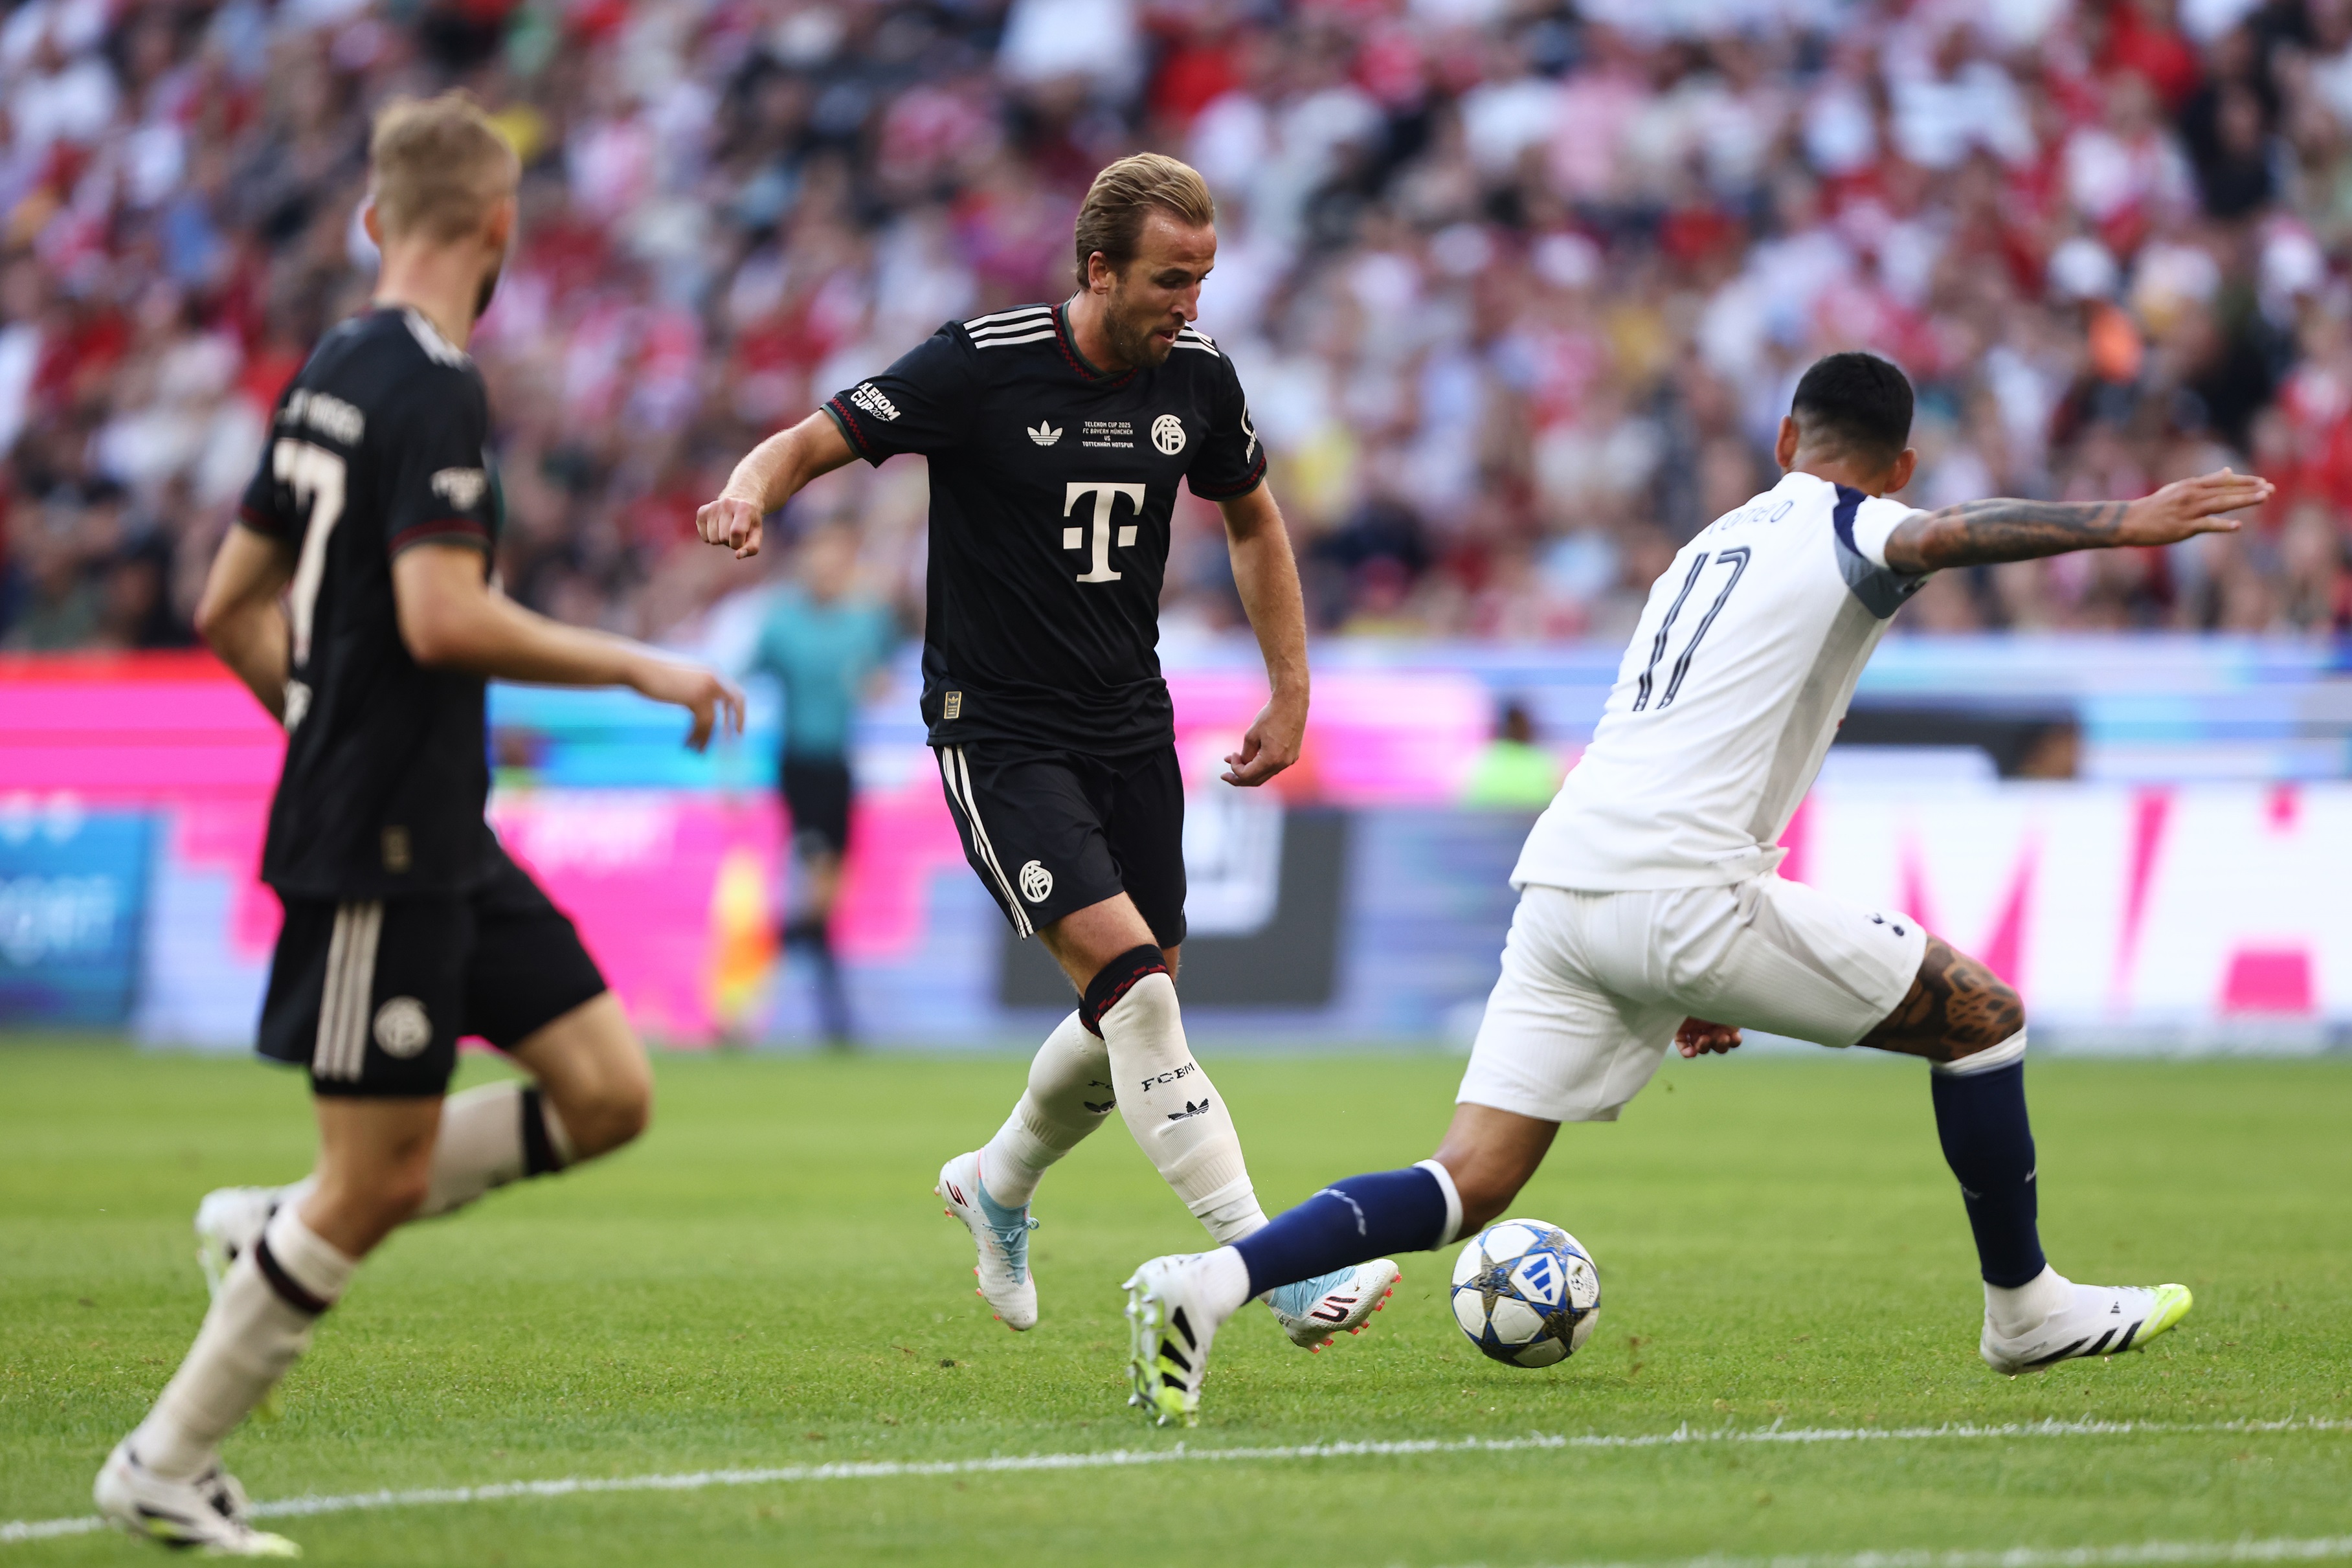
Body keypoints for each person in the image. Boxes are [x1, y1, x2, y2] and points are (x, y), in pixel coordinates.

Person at [1121, 351, 2268, 1425]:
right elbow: (1941, 540)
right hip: (1678, 890)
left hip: (1570, 883)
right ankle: (2024, 1309)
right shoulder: (1852, 519)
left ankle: (1211, 1281)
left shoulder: (1702, 548)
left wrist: (1688, 968)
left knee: (1466, 1180)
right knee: (1980, 1019)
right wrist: (2128, 522)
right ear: (1899, 465)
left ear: (1781, 438)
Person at [95, 94, 743, 1553]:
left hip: (434, 819)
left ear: (378, 220)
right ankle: (160, 1460)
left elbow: (225, 606)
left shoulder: (328, 368)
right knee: (377, 1178)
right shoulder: (434, 385)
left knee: (606, 1091)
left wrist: (324, 716)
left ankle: (278, 1224)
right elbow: (439, 613)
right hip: (382, 829)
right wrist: (636, 661)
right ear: (497, 229)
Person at [695, 153, 1397, 1347]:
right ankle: (1269, 1266)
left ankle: (996, 1181)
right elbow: (815, 436)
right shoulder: (979, 362)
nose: (1192, 304)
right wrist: (747, 490)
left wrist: (1290, 688)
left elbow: (1251, 516)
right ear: (1097, 269)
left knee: (1139, 998)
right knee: (1137, 993)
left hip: (1130, 721)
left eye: (1203, 279)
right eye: (1172, 280)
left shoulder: (1199, 379)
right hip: (999, 730)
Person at [748, 520, 897, 1044]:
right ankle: (764, 992)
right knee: (817, 890)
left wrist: (876, 685)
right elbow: (746, 683)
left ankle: (830, 1018)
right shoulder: (781, 622)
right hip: (798, 768)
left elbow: (885, 672)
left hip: (841, 769)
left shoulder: (867, 620)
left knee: (826, 906)